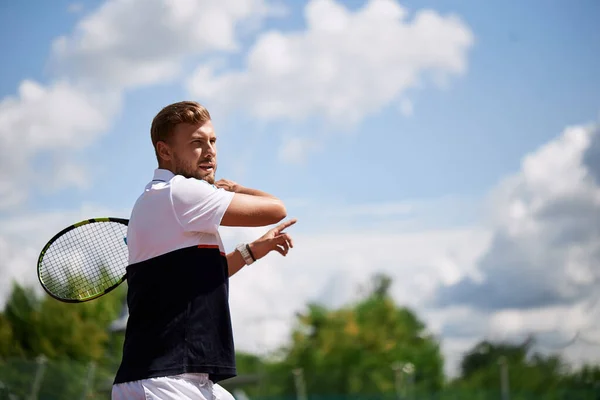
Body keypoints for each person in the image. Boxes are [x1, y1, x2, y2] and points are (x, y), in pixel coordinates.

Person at [111, 101, 296, 399]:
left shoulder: (159, 198)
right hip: (164, 381)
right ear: (165, 151)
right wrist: (235, 190)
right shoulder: (180, 192)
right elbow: (277, 209)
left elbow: (198, 279)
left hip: (178, 380)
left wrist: (251, 251)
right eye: (196, 143)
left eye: (212, 141)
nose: (209, 151)